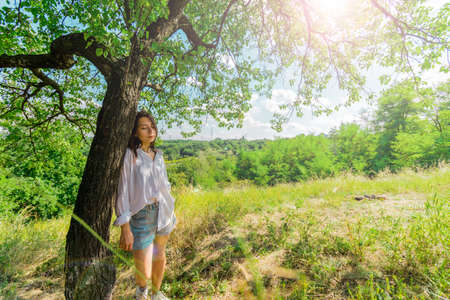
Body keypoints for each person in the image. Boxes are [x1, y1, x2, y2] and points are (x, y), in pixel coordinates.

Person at [113, 110, 177, 300]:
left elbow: (165, 186)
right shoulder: (130, 156)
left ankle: (157, 294)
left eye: (152, 127)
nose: (151, 130)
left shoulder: (158, 156)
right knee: (142, 264)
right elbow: (122, 191)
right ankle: (141, 293)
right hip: (142, 214)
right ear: (135, 132)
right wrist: (125, 226)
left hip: (163, 212)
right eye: (144, 127)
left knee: (160, 256)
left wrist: (171, 210)